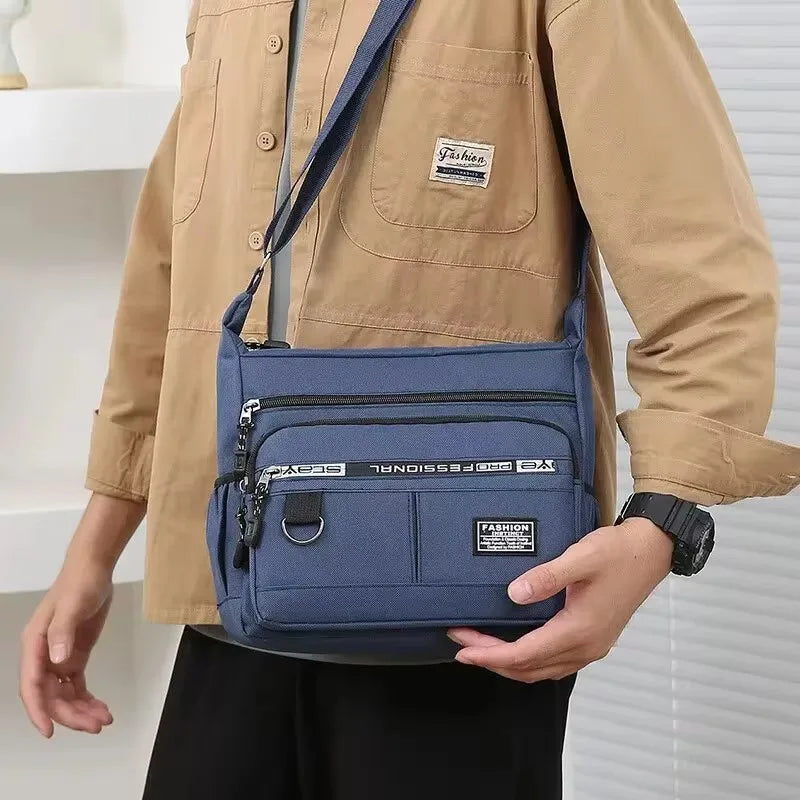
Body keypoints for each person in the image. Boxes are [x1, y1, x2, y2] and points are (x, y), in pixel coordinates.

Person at [18, 1, 800, 798]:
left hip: (461, 622)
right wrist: (95, 548)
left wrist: (661, 527)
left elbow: (704, 271)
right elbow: (173, 273)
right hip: (234, 598)